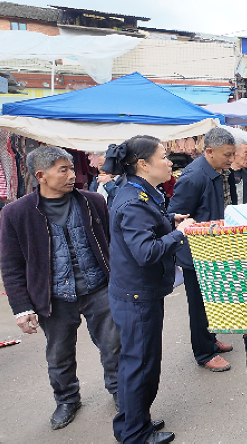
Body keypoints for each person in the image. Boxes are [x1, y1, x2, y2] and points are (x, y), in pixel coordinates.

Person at [0, 146, 120, 430]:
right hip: (53, 296)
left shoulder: (92, 201)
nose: (72, 175)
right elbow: (11, 264)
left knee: (114, 345)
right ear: (41, 175)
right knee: (59, 353)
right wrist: (22, 307)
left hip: (98, 288)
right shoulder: (16, 213)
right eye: (63, 170)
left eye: (71, 168)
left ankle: (120, 391)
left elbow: (112, 243)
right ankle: (67, 399)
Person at [104, 136, 195, 443]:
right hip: (137, 295)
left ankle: (132, 422)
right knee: (141, 366)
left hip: (137, 291)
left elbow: (146, 226)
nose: (170, 162)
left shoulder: (137, 191)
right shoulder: (133, 199)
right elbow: (145, 252)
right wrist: (179, 233)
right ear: (143, 164)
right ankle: (136, 434)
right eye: (163, 157)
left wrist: (169, 220)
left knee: (136, 363)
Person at [168, 128, 236, 372]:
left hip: (213, 249)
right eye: (227, 155)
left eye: (232, 154)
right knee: (199, 305)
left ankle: (211, 339)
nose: (231, 159)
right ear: (209, 151)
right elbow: (175, 215)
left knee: (211, 300)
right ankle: (204, 352)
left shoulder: (218, 172)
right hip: (196, 252)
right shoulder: (194, 176)